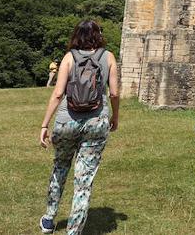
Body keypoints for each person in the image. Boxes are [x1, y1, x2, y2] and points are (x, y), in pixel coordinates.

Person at [37, 19, 119, 235]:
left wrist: (45, 124)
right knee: (84, 180)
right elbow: (114, 93)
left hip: (66, 120)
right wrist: (115, 117)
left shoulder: (69, 57)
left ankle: (48, 219)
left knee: (60, 167)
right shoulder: (108, 57)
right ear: (98, 35)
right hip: (96, 121)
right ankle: (73, 231)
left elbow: (57, 93)